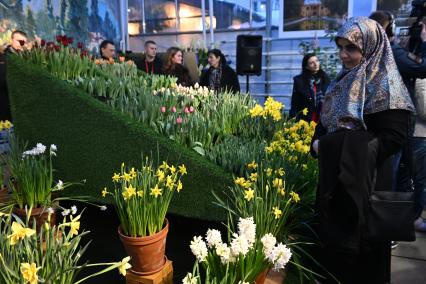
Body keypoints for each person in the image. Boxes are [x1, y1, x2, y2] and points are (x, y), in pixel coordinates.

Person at [311, 17, 414, 284]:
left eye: (351, 48)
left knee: (364, 264)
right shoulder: (341, 82)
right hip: (335, 190)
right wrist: (319, 143)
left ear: (370, 47)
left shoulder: (387, 85)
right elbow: (325, 125)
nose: (344, 54)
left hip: (368, 190)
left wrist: (335, 146)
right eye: (341, 47)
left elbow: (394, 138)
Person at [371, 10, 426, 232]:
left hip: (388, 123)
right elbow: (422, 67)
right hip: (399, 124)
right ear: (388, 29)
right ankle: (390, 226)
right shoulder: (392, 52)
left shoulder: (381, 53)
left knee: (397, 172)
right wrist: (424, 43)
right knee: (395, 174)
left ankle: (397, 222)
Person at [289, 53, 330, 121]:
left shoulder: (325, 78)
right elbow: (295, 103)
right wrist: (292, 119)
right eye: (311, 63)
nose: (316, 64)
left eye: (317, 61)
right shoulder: (299, 81)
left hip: (322, 118)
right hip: (306, 118)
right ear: (306, 67)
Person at [0, 30, 28, 121]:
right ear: (11, 40)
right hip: (5, 102)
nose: (21, 44)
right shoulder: (3, 56)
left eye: (23, 42)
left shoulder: (25, 58)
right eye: (18, 41)